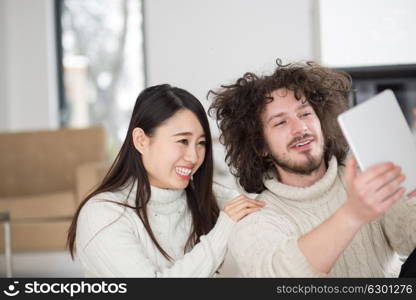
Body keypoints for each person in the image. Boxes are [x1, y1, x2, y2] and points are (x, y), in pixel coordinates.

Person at [208, 60, 416, 277]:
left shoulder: (366, 180)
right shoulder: (254, 220)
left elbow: (409, 238)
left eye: (305, 114)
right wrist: (353, 213)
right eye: (281, 123)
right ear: (261, 147)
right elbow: (280, 275)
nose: (300, 128)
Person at [67, 84, 265, 277]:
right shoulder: (103, 214)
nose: (194, 157)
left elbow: (266, 208)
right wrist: (222, 231)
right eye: (182, 141)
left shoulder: (210, 196)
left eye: (201, 143)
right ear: (141, 141)